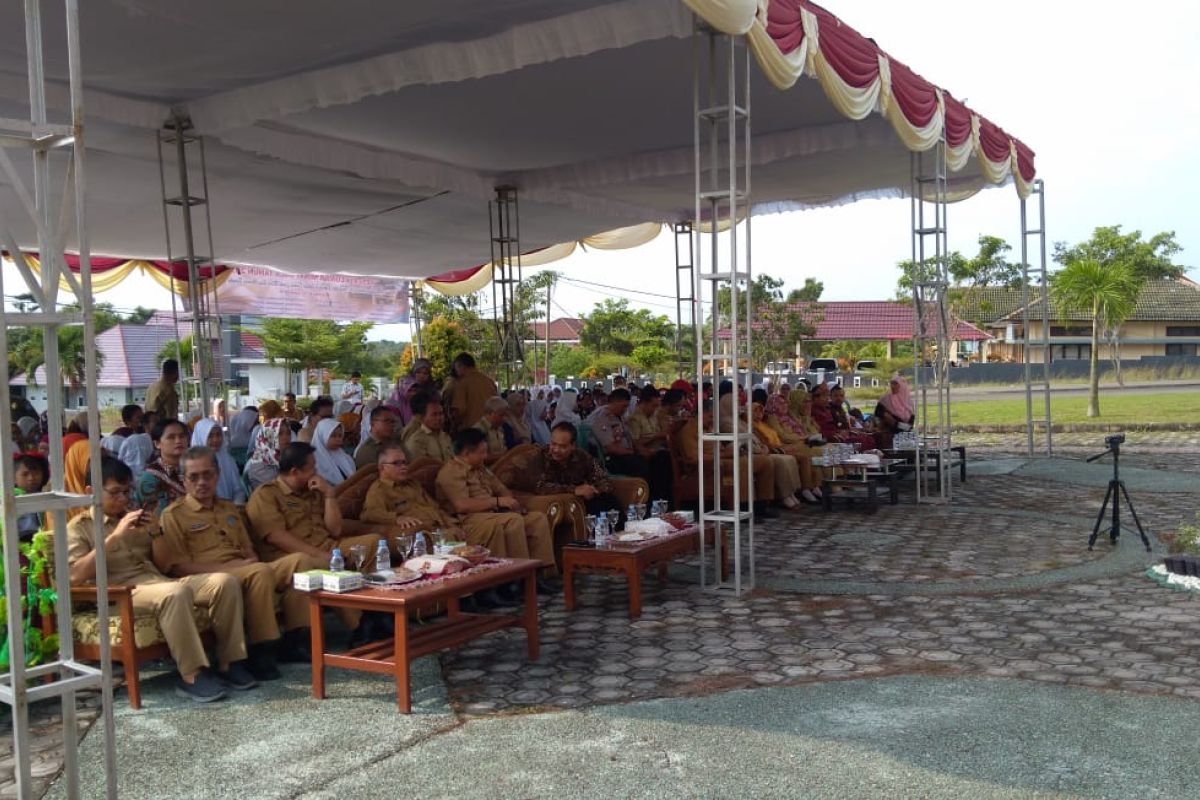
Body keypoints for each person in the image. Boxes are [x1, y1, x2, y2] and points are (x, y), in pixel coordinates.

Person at [72, 456, 262, 700]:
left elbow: (163, 564)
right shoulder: (79, 527)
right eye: (115, 492)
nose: (123, 499)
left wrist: (156, 532)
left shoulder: (134, 518)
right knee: (175, 593)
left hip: (158, 582)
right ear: (90, 492)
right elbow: (75, 575)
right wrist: (114, 537)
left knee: (225, 582)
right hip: (121, 593)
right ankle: (191, 675)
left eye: (127, 491)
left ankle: (230, 661)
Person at [156, 447, 298, 674]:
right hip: (206, 577)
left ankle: (301, 637)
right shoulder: (174, 515)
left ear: (218, 475)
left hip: (245, 568)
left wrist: (249, 559)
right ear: (183, 481)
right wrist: (237, 566)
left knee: (300, 563)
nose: (202, 482)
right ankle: (262, 650)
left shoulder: (228, 508)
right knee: (259, 573)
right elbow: (179, 567)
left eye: (208, 475)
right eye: (194, 477)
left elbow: (248, 548)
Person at [245, 442, 385, 647]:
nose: (316, 472)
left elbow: (335, 530)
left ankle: (379, 611)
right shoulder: (266, 494)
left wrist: (329, 494)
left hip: (327, 547)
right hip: (288, 557)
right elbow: (276, 536)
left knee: (373, 542)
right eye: (312, 467)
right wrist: (320, 555)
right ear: (294, 471)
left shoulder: (314, 490)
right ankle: (359, 625)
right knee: (329, 566)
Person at [435, 428, 557, 593]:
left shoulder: (481, 468)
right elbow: (461, 505)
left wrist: (512, 503)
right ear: (466, 453)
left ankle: (538, 573)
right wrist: (498, 502)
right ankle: (515, 578)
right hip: (468, 519)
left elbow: (501, 489)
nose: (485, 456)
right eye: (482, 452)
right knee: (512, 521)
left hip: (492, 514)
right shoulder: (451, 472)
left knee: (536, 519)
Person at [359, 443, 464, 542]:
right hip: (423, 534)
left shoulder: (413, 484)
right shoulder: (379, 490)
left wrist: (451, 525)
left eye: (404, 462)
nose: (404, 467)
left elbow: (435, 508)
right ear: (382, 468)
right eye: (396, 463)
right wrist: (397, 518)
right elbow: (369, 514)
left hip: (441, 526)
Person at [537, 422, 624, 535]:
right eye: (553, 444)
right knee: (592, 508)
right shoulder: (541, 457)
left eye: (562, 446)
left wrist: (593, 489)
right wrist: (575, 490)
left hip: (585, 498)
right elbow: (540, 487)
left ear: (573, 445)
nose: (556, 449)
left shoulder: (582, 456)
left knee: (609, 500)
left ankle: (623, 539)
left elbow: (602, 478)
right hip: (563, 501)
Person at [589, 388, 672, 502]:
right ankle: (645, 500)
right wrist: (633, 452)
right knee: (642, 465)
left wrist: (641, 450)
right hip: (613, 459)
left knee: (661, 459)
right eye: (623, 406)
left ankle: (661, 498)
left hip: (627, 454)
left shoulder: (619, 418)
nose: (625, 410)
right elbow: (611, 448)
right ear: (614, 402)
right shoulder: (602, 419)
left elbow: (630, 439)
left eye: (626, 406)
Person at [134, 418, 190, 515]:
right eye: (171, 437)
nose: (178, 441)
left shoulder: (194, 470)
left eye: (182, 436)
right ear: (157, 444)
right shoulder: (150, 478)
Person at [191, 418, 247, 504]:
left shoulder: (227, 460)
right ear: (201, 437)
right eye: (210, 436)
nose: (216, 439)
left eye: (218, 435)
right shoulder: (192, 464)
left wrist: (234, 508)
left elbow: (238, 490)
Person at [440, 352, 497, 434]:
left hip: (470, 431)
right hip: (490, 428)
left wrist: (453, 427)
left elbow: (459, 410)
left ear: (460, 366)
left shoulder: (461, 383)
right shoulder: (489, 382)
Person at [403, 394, 453, 463]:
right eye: (434, 414)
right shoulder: (417, 441)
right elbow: (419, 469)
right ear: (422, 418)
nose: (439, 418)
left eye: (441, 414)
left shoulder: (445, 437)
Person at [244, 417, 290, 492]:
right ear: (267, 436)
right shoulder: (259, 463)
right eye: (280, 433)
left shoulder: (282, 457)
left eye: (288, 433)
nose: (286, 437)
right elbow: (280, 489)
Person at [390, 358, 439, 427]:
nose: (421, 376)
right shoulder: (404, 385)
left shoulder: (432, 390)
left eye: (425, 373)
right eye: (418, 372)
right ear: (413, 372)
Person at [312, 418, 357, 487]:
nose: (338, 439)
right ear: (322, 435)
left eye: (340, 435)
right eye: (333, 436)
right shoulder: (313, 462)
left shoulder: (345, 457)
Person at [874, 374, 915, 449]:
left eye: (896, 384)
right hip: (887, 438)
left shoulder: (909, 404)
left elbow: (909, 427)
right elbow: (877, 416)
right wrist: (880, 424)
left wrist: (895, 423)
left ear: (902, 386)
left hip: (904, 439)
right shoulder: (885, 400)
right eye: (891, 383)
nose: (892, 386)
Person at [354, 404, 400, 469]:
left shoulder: (396, 442)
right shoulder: (367, 451)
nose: (391, 425)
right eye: (386, 421)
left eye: (393, 422)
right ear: (372, 424)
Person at [13, 453, 48, 540]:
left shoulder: (46, 495)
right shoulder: (10, 498)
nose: (31, 478)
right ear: (13, 478)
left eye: (36, 473)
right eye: (25, 474)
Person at [118, 410, 157, 476]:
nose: (159, 425)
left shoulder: (154, 440)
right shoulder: (137, 441)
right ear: (145, 424)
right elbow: (138, 470)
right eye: (155, 422)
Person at [473, 396, 509, 463]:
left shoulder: (499, 428)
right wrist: (503, 456)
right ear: (490, 413)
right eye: (501, 415)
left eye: (505, 415)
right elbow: (478, 457)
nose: (504, 418)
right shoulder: (478, 430)